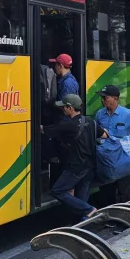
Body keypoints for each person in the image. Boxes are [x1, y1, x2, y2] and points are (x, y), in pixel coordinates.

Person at [40, 93, 99, 221]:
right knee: (81, 198)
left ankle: (89, 209)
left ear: (70, 108)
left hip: (77, 166)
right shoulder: (91, 122)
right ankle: (83, 227)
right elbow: (105, 135)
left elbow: (46, 130)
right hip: (90, 165)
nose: (63, 109)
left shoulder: (68, 125)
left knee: (57, 190)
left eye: (64, 107)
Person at [94, 84, 130, 206]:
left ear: (115, 98)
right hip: (105, 158)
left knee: (123, 190)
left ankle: (124, 218)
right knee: (106, 189)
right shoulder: (100, 114)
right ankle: (108, 217)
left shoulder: (127, 114)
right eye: (102, 98)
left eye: (106, 98)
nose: (103, 100)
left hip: (122, 158)